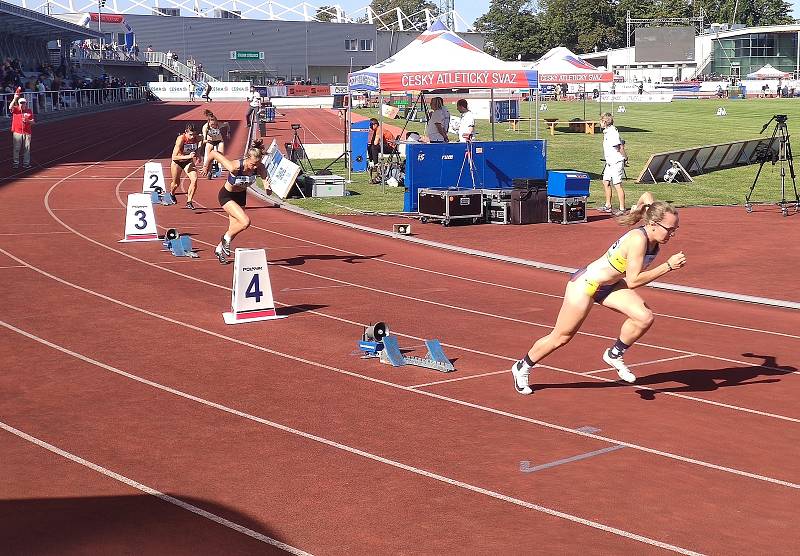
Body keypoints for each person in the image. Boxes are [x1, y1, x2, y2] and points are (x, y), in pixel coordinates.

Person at [510, 195, 686, 395]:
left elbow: (647, 196)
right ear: (654, 224)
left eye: (675, 230)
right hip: (586, 285)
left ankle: (614, 353)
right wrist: (668, 266)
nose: (672, 234)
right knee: (561, 337)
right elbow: (634, 281)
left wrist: (643, 205)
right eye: (670, 229)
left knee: (644, 317)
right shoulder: (639, 240)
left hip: (609, 286)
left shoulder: (654, 234)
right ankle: (522, 366)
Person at [200, 139, 272, 264]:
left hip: (241, 197)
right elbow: (213, 153)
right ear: (247, 158)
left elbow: (265, 176)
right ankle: (225, 238)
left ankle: (219, 249)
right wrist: (207, 166)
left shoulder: (259, 167)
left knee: (234, 228)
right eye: (252, 164)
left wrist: (267, 187)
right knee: (245, 222)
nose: (254, 167)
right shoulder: (234, 166)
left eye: (257, 164)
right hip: (227, 196)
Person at [169, 123, 203, 210]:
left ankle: (189, 201)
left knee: (194, 179)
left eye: (194, 134)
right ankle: (172, 193)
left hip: (188, 162)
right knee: (176, 184)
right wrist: (188, 156)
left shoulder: (198, 138)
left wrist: (198, 154)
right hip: (177, 162)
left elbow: (201, 142)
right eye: (190, 134)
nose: (192, 137)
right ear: (186, 132)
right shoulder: (181, 139)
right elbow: (174, 156)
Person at [599, 113, 627, 215]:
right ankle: (608, 205)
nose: (600, 123)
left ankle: (622, 209)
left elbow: (620, 147)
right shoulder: (607, 132)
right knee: (605, 182)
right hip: (609, 162)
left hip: (616, 162)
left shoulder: (612, 132)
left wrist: (625, 158)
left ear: (605, 122)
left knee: (617, 184)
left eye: (601, 121)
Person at [367, 117, 398, 184]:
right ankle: (371, 162)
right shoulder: (376, 130)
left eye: (371, 125)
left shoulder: (379, 130)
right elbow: (372, 142)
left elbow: (375, 143)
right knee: (370, 147)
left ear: (375, 125)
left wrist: (373, 145)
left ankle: (376, 164)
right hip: (387, 146)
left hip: (392, 147)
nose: (370, 127)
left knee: (374, 147)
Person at [9, 88, 34, 169]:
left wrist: (28, 120)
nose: (22, 104)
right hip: (17, 132)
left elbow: (33, 122)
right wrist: (14, 98)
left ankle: (26, 164)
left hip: (27, 132)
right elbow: (10, 107)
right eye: (21, 103)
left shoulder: (29, 110)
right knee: (16, 148)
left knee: (27, 149)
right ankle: (16, 163)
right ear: (19, 103)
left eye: (24, 103)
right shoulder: (16, 109)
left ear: (26, 103)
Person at [201, 110, 230, 179]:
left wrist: (228, 133)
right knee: (208, 157)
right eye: (212, 125)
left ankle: (217, 169)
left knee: (220, 156)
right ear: (208, 123)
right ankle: (209, 170)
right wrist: (206, 140)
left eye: (215, 124)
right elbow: (203, 140)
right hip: (210, 142)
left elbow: (227, 124)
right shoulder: (205, 127)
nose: (213, 126)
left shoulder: (219, 124)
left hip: (219, 141)